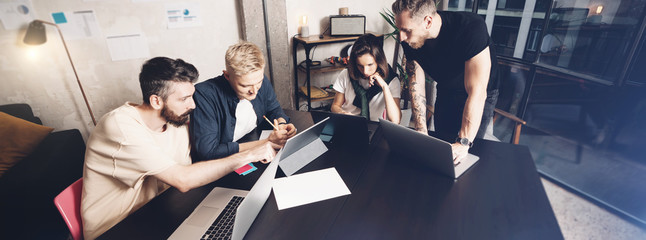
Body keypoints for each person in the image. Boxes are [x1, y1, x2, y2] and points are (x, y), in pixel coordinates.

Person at [81, 57, 276, 239]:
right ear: (156, 101)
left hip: (160, 212)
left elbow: (201, 161)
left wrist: (257, 151)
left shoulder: (175, 121)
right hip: (116, 228)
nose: (192, 105)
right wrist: (249, 155)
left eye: (192, 96)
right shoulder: (120, 126)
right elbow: (183, 179)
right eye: (184, 99)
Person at [392, 0, 500, 162]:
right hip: (447, 87)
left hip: (481, 92)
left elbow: (477, 92)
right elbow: (416, 84)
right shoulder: (409, 40)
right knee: (442, 143)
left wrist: (463, 142)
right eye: (399, 29)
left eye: (406, 30)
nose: (401, 37)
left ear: (427, 21)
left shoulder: (470, 28)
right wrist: (421, 130)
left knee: (467, 151)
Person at [190, 42, 297, 161]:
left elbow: (273, 109)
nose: (254, 91)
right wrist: (266, 142)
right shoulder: (204, 95)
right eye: (245, 85)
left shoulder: (257, 79)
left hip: (251, 142)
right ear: (227, 76)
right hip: (223, 163)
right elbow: (208, 151)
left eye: (259, 82)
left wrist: (282, 125)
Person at [331, 33, 402, 123]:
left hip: (373, 126)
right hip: (348, 122)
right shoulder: (346, 74)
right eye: (360, 66)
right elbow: (335, 105)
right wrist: (342, 112)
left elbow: (396, 120)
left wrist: (384, 87)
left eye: (370, 65)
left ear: (379, 61)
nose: (365, 71)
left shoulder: (392, 80)